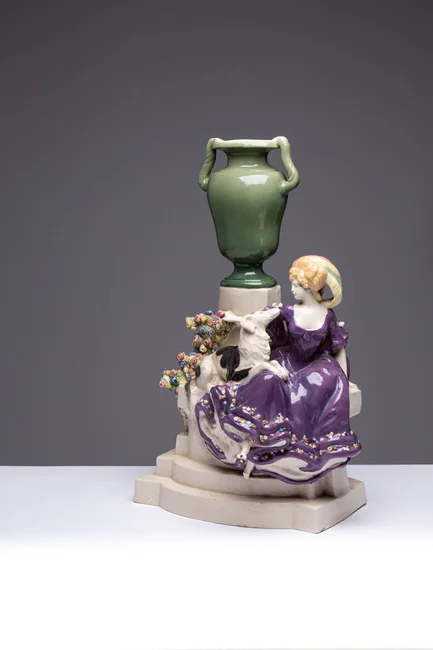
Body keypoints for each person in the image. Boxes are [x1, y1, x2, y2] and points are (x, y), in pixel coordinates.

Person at [195, 255, 362, 484]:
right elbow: (260, 328)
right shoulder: (288, 312)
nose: (292, 289)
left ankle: (301, 449)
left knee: (316, 386)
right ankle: (252, 439)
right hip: (287, 360)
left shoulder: (328, 317)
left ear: (308, 287)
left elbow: (338, 347)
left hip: (316, 366)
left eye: (296, 284)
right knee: (268, 381)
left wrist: (344, 377)